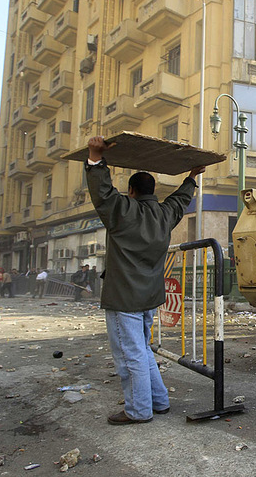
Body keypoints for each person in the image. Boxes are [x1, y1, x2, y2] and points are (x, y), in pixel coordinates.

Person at [86, 135, 205, 425]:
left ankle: (138, 410)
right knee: (142, 349)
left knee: (131, 354)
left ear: (131, 190)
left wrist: (95, 158)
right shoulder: (164, 214)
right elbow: (180, 200)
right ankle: (159, 401)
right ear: (152, 190)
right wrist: (191, 177)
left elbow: (102, 193)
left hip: (124, 297)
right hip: (150, 297)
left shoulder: (123, 211)